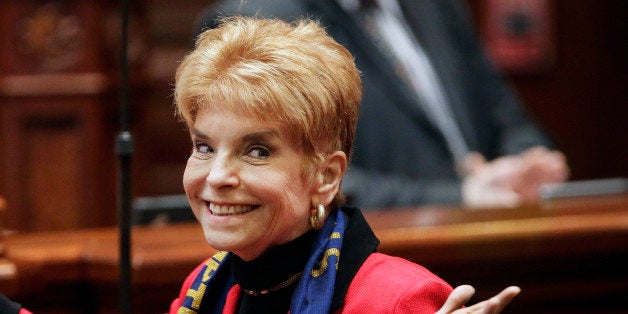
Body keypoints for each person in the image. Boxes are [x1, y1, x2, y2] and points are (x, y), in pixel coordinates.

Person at [169, 16, 520, 313]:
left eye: (257, 152)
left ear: (326, 175)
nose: (217, 176)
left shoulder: (398, 299)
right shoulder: (203, 288)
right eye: (204, 147)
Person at [194, 0, 569, 210]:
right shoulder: (263, 19)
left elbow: (506, 114)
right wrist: (462, 195)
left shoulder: (437, 7)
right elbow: (293, 177)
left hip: (498, 231)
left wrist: (523, 164)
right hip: (364, 258)